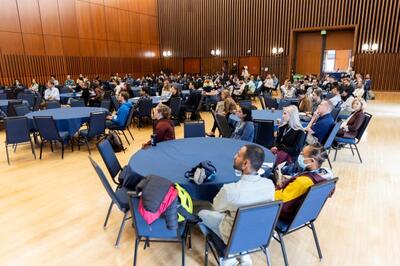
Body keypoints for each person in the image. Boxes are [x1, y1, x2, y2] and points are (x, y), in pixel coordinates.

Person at [198, 144, 274, 266]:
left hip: (232, 235)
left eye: (238, 155)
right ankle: (244, 256)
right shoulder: (270, 185)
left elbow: (216, 207)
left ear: (245, 164)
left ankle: (227, 257)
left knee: (202, 213)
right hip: (258, 233)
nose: (234, 156)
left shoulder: (230, 190)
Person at [275, 143, 334, 222]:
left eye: (303, 154)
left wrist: (276, 188)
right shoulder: (326, 177)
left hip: (285, 214)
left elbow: (280, 202)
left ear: (312, 160)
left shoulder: (302, 182)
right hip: (304, 215)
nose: (300, 156)